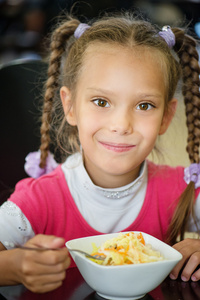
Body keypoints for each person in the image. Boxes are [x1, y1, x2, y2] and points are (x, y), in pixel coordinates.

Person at [0, 11, 200, 293]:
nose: (121, 125)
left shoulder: (183, 191)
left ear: (166, 117)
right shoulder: (39, 200)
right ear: (70, 106)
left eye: (144, 106)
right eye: (101, 101)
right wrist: (13, 266)